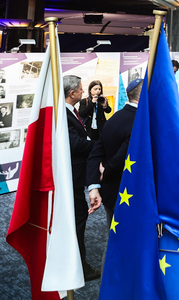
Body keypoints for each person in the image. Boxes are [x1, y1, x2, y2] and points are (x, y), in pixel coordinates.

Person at [86, 79, 142, 237]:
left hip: (112, 194)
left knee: (114, 242)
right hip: (132, 196)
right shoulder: (141, 123)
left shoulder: (113, 119)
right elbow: (122, 157)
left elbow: (95, 154)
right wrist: (107, 171)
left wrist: (94, 186)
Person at [63, 75, 100, 281]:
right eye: (80, 88)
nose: (83, 91)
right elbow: (75, 144)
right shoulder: (63, 113)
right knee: (77, 219)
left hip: (77, 175)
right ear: (72, 93)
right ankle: (79, 268)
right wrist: (98, 146)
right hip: (72, 177)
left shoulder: (72, 111)